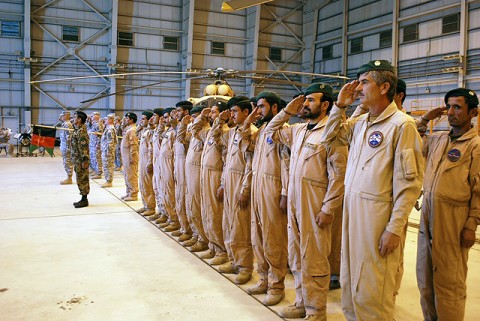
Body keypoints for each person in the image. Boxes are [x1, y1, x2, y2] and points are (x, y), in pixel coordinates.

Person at [320, 60, 424, 321]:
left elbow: (409, 183)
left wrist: (394, 227)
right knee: (350, 282)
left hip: (377, 217)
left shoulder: (403, 125)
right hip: (353, 212)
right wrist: (340, 106)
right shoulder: (362, 122)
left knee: (372, 290)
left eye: (365, 82)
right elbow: (329, 139)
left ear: (385, 86)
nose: (358, 87)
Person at [265, 84, 348, 320]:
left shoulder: (333, 133)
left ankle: (316, 310)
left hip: (315, 202)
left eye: (310, 100)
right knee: (296, 254)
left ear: (325, 105)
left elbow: (338, 174)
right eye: (305, 100)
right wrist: (286, 112)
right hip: (295, 201)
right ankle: (301, 302)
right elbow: (270, 131)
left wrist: (328, 207)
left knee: (315, 257)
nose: (305, 104)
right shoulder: (298, 130)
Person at [415, 88, 479, 321]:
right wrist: (425, 119)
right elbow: (412, 142)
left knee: (449, 284)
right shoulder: (439, 139)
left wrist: (471, 224)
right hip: (428, 219)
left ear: (473, 112)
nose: (451, 112)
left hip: (454, 221)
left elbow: (478, 190)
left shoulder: (475, 146)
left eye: (457, 107)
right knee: (424, 281)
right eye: (448, 106)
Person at [242, 91, 290, 306]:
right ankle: (263, 278)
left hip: (274, 187)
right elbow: (245, 145)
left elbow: (288, 164)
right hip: (258, 187)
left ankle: (277, 285)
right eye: (257, 106)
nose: (258, 110)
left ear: (275, 108)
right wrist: (249, 120)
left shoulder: (284, 131)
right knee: (257, 235)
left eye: (261, 107)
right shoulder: (260, 131)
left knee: (274, 238)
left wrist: (285, 193)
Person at [212, 96, 257, 285]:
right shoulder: (232, 132)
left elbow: (250, 164)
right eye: (230, 112)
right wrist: (222, 183)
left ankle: (245, 266)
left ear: (246, 112)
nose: (232, 115)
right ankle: (233, 260)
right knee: (228, 222)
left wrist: (245, 189)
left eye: (235, 111)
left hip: (240, 182)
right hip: (229, 181)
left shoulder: (251, 133)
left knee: (241, 227)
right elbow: (216, 139)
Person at [191, 101, 230, 265]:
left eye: (214, 112)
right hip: (205, 173)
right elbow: (194, 131)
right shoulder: (209, 133)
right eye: (211, 113)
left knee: (215, 213)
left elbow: (227, 160)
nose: (210, 115)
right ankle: (213, 246)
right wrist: (201, 116)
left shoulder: (226, 133)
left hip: (216, 175)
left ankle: (222, 250)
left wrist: (222, 183)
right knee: (207, 211)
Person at [179, 106, 210, 252]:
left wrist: (199, 120)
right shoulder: (194, 132)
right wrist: (184, 124)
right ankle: (195, 233)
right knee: (190, 203)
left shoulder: (207, 132)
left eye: (196, 117)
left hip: (199, 171)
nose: (194, 120)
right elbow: (181, 139)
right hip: (189, 170)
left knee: (197, 205)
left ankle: (203, 238)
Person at [172, 101, 194, 241]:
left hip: (186, 164)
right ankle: (183, 226)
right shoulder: (182, 125)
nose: (177, 113)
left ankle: (189, 229)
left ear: (186, 112)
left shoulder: (191, 126)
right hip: (178, 163)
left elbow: (183, 140)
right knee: (179, 196)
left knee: (186, 198)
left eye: (179, 111)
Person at [158, 108, 181, 232]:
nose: (165, 120)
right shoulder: (168, 131)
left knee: (171, 193)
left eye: (167, 117)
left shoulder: (174, 132)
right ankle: (168, 215)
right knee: (164, 191)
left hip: (170, 164)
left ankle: (174, 219)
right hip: (163, 163)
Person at [136, 110, 156, 217]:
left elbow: (151, 148)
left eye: (143, 119)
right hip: (142, 159)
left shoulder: (151, 132)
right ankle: (145, 204)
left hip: (147, 159)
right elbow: (136, 135)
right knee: (142, 183)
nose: (141, 120)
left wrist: (149, 162)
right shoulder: (144, 130)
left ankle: (150, 207)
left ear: (149, 120)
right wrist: (140, 126)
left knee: (148, 184)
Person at [70, 111, 90, 208]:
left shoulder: (82, 132)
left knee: (83, 179)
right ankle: (82, 198)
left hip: (81, 160)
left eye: (75, 117)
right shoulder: (77, 129)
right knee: (79, 178)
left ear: (79, 120)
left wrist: (85, 160)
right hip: (77, 159)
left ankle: (84, 199)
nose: (73, 119)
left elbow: (84, 147)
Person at [120, 112, 139, 201]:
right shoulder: (128, 129)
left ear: (131, 120)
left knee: (131, 175)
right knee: (127, 175)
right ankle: (129, 192)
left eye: (127, 118)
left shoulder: (132, 130)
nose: (125, 120)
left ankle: (133, 194)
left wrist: (132, 156)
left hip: (130, 157)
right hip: (126, 156)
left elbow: (133, 144)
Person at [100, 114, 117, 188]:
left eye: (106, 119)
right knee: (106, 165)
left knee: (108, 166)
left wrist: (108, 152)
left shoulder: (110, 129)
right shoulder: (108, 128)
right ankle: (108, 180)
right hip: (106, 150)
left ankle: (109, 181)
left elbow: (111, 142)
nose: (105, 120)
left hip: (108, 152)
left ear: (110, 120)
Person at [86, 112, 104, 179]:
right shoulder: (93, 124)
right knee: (93, 158)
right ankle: (95, 171)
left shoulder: (97, 124)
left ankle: (99, 173)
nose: (90, 117)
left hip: (96, 144)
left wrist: (98, 144)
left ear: (95, 117)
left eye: (92, 116)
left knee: (97, 158)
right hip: (92, 143)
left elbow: (100, 134)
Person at [58, 111, 74, 184]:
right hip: (64, 146)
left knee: (68, 162)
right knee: (66, 162)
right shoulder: (65, 124)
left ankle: (69, 178)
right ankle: (68, 177)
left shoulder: (68, 125)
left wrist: (68, 147)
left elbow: (69, 137)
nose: (60, 117)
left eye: (62, 116)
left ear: (66, 116)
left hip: (67, 147)